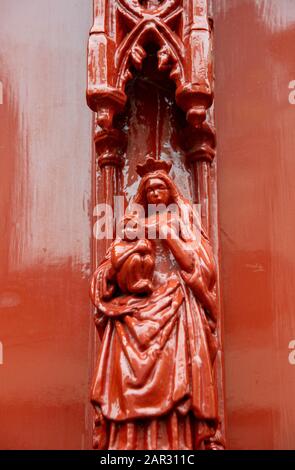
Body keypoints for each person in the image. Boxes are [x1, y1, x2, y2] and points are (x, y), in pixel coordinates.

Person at [90, 156, 220, 450]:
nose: (155, 194)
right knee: (122, 367)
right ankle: (127, 444)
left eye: (161, 188)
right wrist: (118, 266)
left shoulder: (184, 224)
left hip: (175, 307)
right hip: (135, 312)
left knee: (179, 378)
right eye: (149, 190)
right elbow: (103, 276)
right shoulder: (131, 227)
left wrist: (168, 234)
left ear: (172, 192)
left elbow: (202, 267)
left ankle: (179, 442)